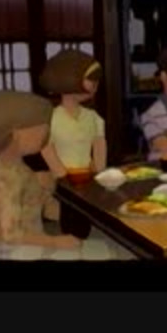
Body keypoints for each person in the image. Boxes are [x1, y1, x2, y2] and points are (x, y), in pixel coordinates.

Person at [0, 91, 121, 260]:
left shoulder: (17, 166)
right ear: (16, 133)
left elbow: (39, 209)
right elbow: (8, 234)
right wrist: (55, 242)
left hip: (35, 246)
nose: (46, 132)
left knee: (104, 248)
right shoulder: (3, 179)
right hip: (20, 254)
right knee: (107, 253)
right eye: (40, 127)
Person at [38, 49, 107, 221]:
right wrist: (62, 176)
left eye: (96, 82)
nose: (95, 86)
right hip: (61, 181)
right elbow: (46, 148)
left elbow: (99, 145)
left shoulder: (93, 117)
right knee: (65, 214)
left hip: (88, 180)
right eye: (91, 80)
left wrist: (99, 173)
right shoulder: (51, 118)